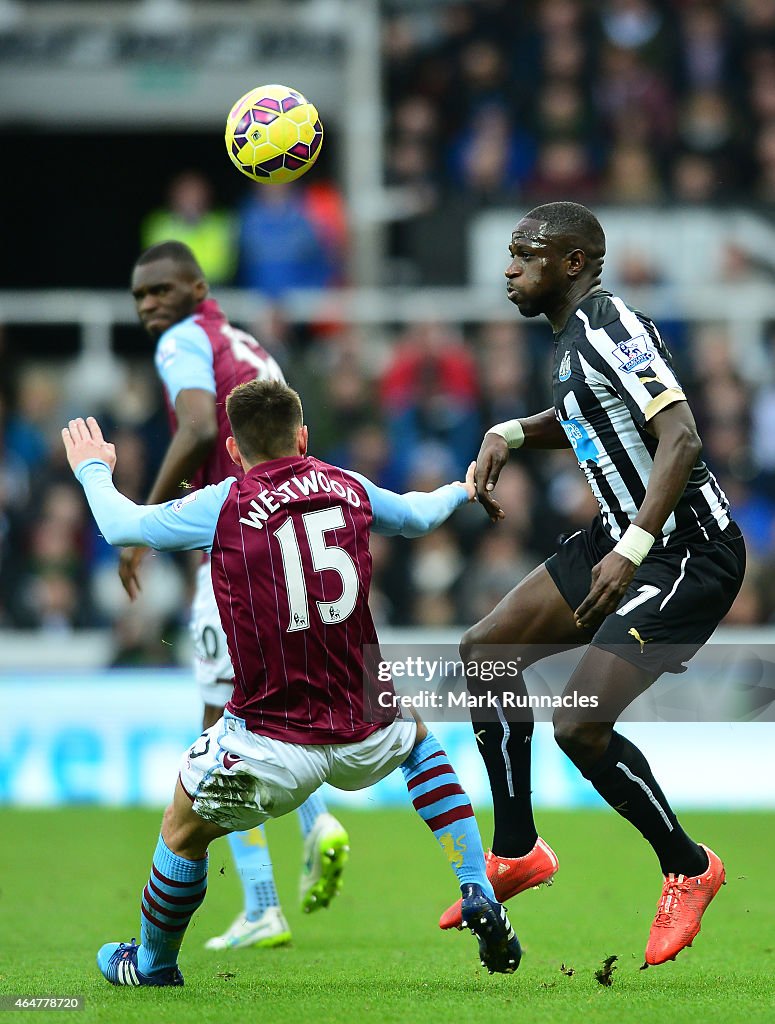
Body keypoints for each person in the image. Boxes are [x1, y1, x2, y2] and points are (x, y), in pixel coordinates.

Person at [62, 382, 522, 984]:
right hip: (365, 723)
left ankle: (152, 962)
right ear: (303, 436)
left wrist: (94, 470)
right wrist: (464, 490)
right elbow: (415, 514)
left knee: (182, 828)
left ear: (232, 447)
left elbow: (122, 527)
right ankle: (474, 885)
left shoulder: (224, 503)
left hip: (271, 741)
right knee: (416, 741)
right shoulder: (348, 487)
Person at [439, 202, 745, 967]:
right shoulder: (573, 341)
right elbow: (585, 414)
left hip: (686, 552)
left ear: (571, 264)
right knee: (486, 653)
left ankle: (687, 865)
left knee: (578, 724)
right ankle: (515, 851)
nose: (509, 268)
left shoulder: (613, 326)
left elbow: (680, 437)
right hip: (620, 540)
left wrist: (634, 547)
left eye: (525, 254)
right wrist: (507, 432)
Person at [121, 240, 349, 951]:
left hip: (237, 545)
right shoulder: (245, 343)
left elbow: (194, 427)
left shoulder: (184, 343)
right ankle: (308, 835)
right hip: (289, 545)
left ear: (196, 286)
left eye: (160, 290)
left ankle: (264, 899)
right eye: (139, 298)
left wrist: (144, 526)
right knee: (258, 718)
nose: (149, 306)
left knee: (220, 732)